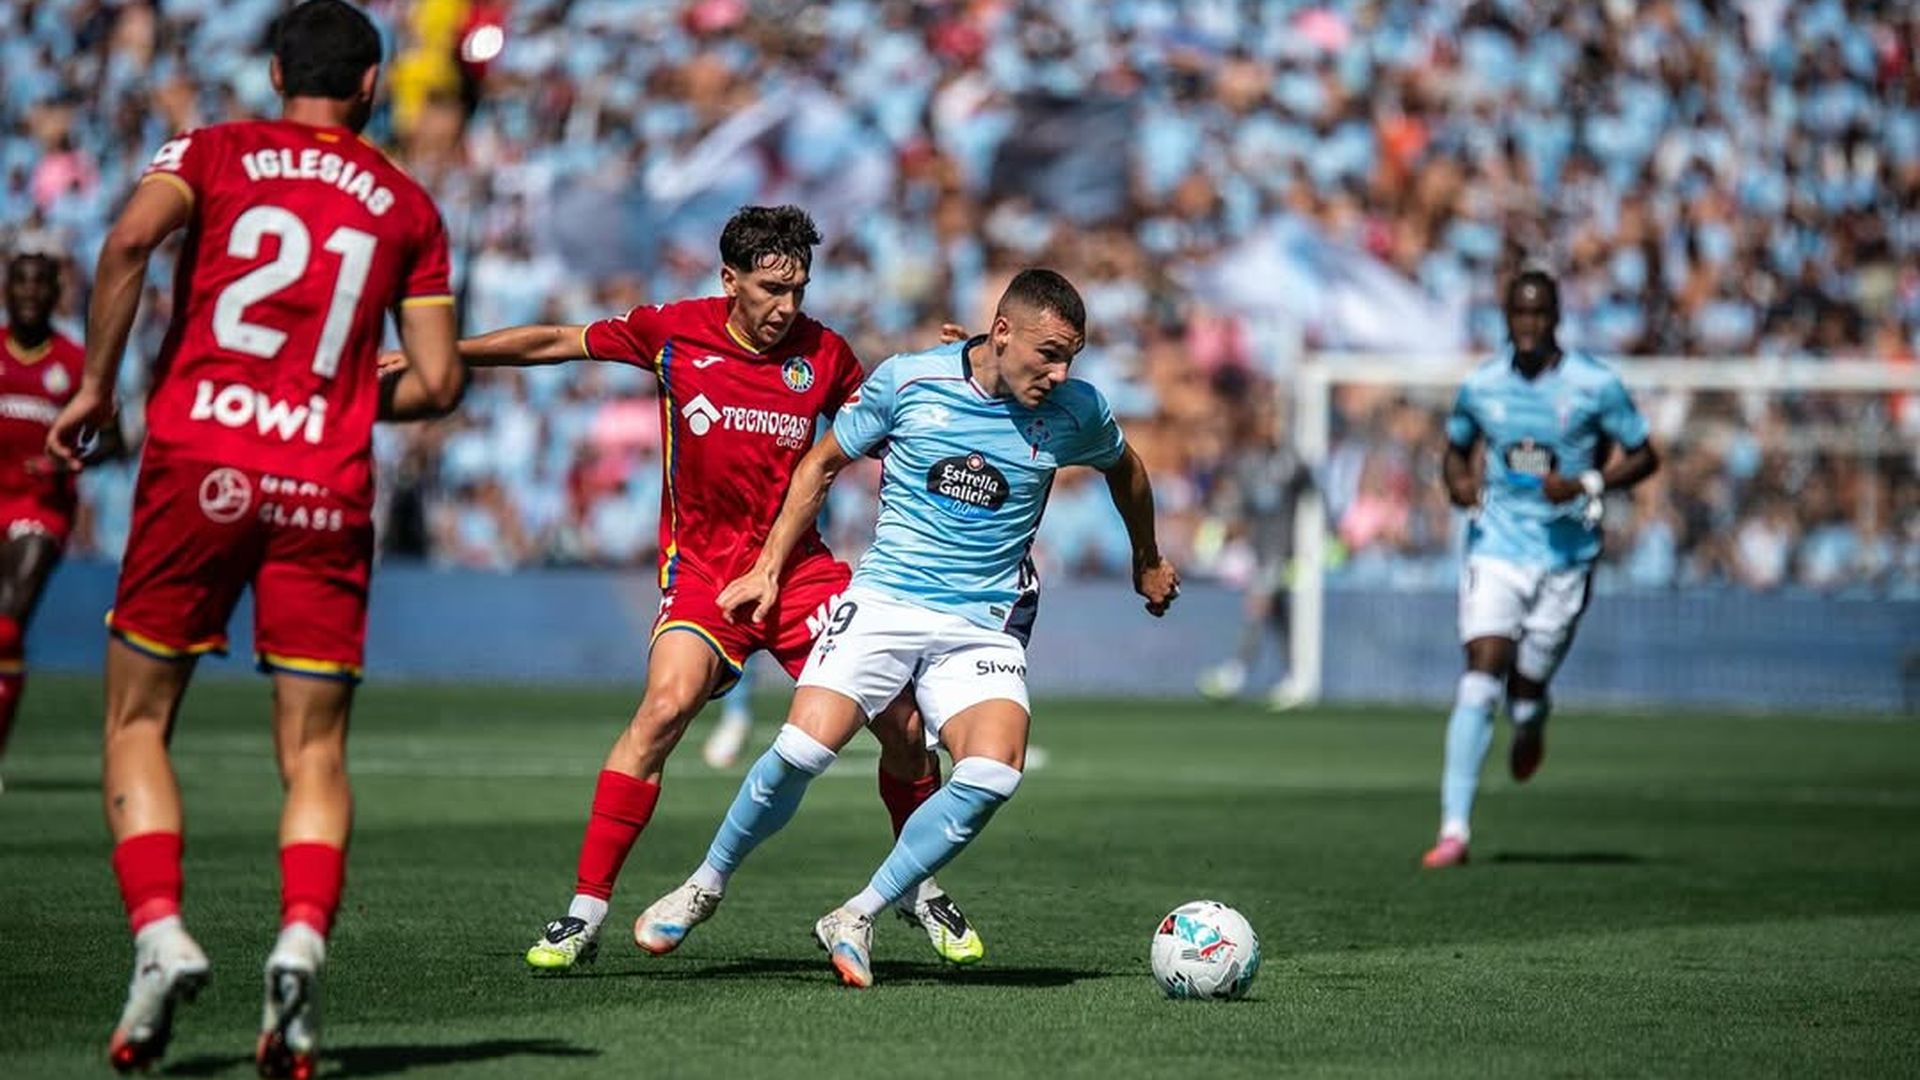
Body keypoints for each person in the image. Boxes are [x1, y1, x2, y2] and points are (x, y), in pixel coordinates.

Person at [45, 3, 466, 1074]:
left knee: (138, 717)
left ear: (276, 70)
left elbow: (132, 238)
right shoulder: (410, 205)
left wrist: (96, 385)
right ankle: (299, 943)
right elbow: (440, 381)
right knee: (314, 748)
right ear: (373, 86)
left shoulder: (216, 150)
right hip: (324, 485)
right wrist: (339, 410)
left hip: (199, 463)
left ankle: (160, 932)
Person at [423, 205, 983, 973]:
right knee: (662, 710)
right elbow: (556, 340)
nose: (786, 307)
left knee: (903, 725)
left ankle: (919, 890)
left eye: (798, 289)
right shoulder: (672, 332)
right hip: (705, 574)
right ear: (729, 280)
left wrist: (954, 374)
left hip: (800, 573)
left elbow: (895, 426)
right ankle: (583, 912)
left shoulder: (826, 355)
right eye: (768, 289)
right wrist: (441, 356)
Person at [634, 268, 1180, 988]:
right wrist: (769, 567)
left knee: (991, 772)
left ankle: (858, 912)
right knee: (802, 749)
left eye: (1071, 357)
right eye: (1049, 353)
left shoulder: (1077, 411)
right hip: (886, 601)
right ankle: (703, 885)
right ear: (1003, 331)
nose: (1060, 372)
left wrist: (1147, 557)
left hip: (980, 623)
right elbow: (822, 463)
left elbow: (1127, 468)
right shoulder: (912, 381)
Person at [1422, 269, 1659, 868]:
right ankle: (1454, 830)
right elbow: (1455, 451)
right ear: (1506, 317)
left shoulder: (1595, 386)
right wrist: (1459, 485)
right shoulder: (1481, 386)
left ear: (1557, 318)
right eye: (1518, 313)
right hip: (1496, 547)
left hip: (1565, 557)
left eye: (1540, 314)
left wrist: (1587, 481)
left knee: (1525, 691)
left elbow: (1645, 454)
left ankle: (1530, 722)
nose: (1529, 325)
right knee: (1482, 670)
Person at [0, 252, 95, 782]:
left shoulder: (77, 362)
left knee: (8, 626)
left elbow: (115, 436)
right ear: (7, 291)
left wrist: (73, 458)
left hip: (41, 506)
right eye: (20, 283)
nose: (30, 293)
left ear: (56, 291)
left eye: (40, 284)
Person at [1196, 396, 1316, 711]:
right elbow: (1235, 504)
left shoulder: (1292, 462)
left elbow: (1316, 502)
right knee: (1279, 616)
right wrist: (1218, 530)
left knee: (1259, 605)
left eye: (1275, 420)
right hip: (1259, 549)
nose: (1272, 427)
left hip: (1285, 551)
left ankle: (1236, 671)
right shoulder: (1248, 464)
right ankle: (1296, 677)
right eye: (1266, 420)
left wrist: (1316, 548)